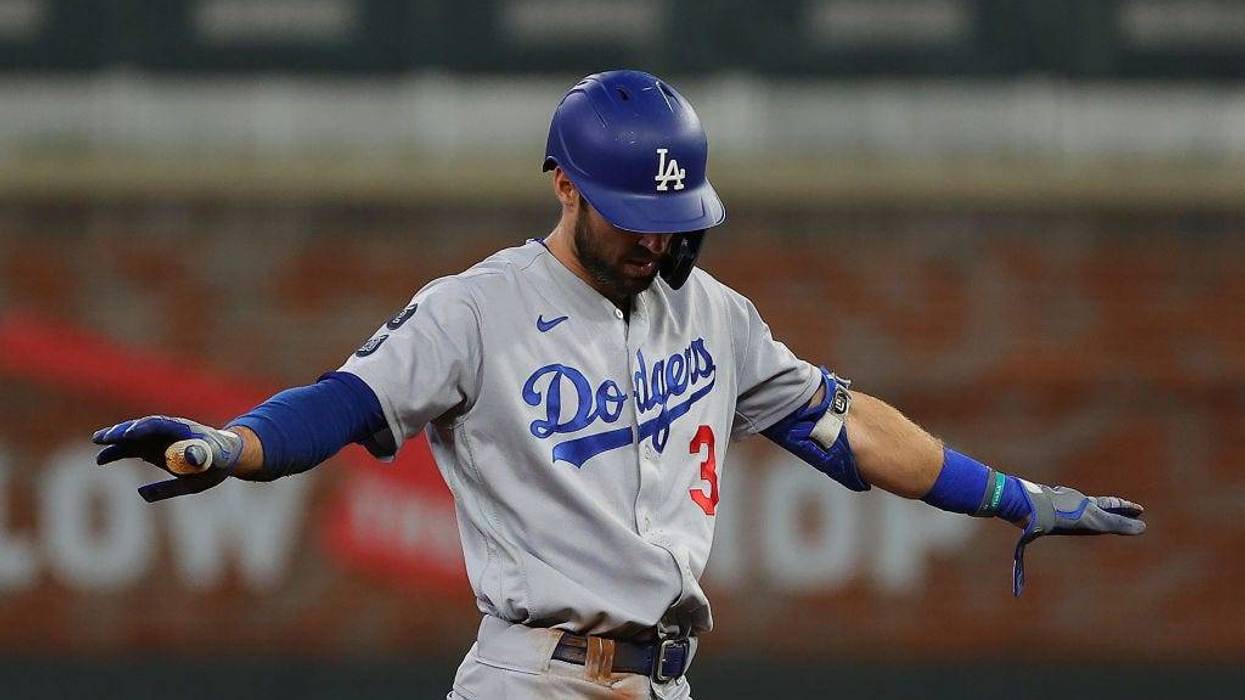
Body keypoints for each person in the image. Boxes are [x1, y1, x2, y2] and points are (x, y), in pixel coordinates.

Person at [90, 70, 1146, 700]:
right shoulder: (477, 309)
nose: (654, 239)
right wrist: (230, 445)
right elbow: (344, 402)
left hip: (662, 678)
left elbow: (849, 427)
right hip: (535, 674)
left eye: (671, 220)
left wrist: (1012, 496)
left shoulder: (715, 315)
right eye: (631, 214)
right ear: (564, 184)